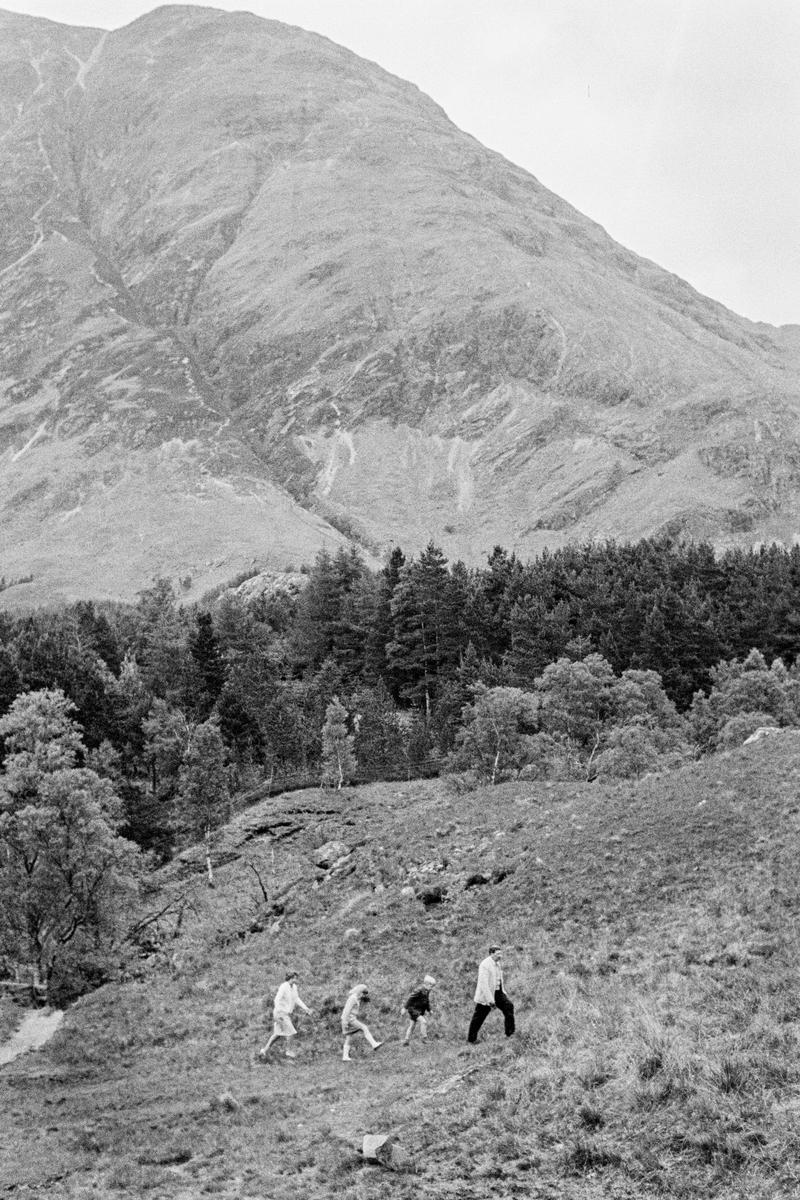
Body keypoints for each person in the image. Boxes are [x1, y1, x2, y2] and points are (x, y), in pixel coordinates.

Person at [258, 970, 312, 1061]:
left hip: (285, 1013)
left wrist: (306, 1008)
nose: (297, 979)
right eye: (296, 978)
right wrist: (278, 1013)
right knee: (291, 1031)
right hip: (280, 1013)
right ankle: (289, 1051)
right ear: (291, 978)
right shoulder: (283, 987)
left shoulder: (294, 987)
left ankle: (264, 1050)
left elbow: (296, 999)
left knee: (277, 1034)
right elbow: (277, 1000)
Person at [467, 945, 515, 1044]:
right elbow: (483, 984)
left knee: (509, 1007)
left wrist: (502, 992)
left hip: (498, 993)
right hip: (486, 995)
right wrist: (490, 1000)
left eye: (501, 954)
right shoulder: (485, 965)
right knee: (479, 1017)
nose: (500, 956)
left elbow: (498, 979)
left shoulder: (497, 963)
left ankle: (510, 1034)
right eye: (498, 954)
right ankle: (471, 1039)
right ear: (491, 954)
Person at [341, 983, 383, 1060]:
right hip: (349, 1019)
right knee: (364, 1027)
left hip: (348, 1019)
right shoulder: (353, 998)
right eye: (363, 993)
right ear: (360, 992)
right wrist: (345, 1021)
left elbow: (361, 1001)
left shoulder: (356, 997)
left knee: (349, 1037)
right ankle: (374, 1044)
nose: (364, 995)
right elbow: (347, 1010)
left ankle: (345, 1056)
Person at [401, 974, 436, 1046]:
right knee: (424, 1022)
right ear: (427, 984)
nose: (432, 988)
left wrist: (429, 1010)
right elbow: (410, 998)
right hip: (413, 1010)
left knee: (412, 1026)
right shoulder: (419, 990)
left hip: (418, 1010)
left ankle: (406, 1040)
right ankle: (424, 1039)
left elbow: (426, 1001)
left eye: (433, 986)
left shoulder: (427, 991)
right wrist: (404, 1008)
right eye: (431, 986)